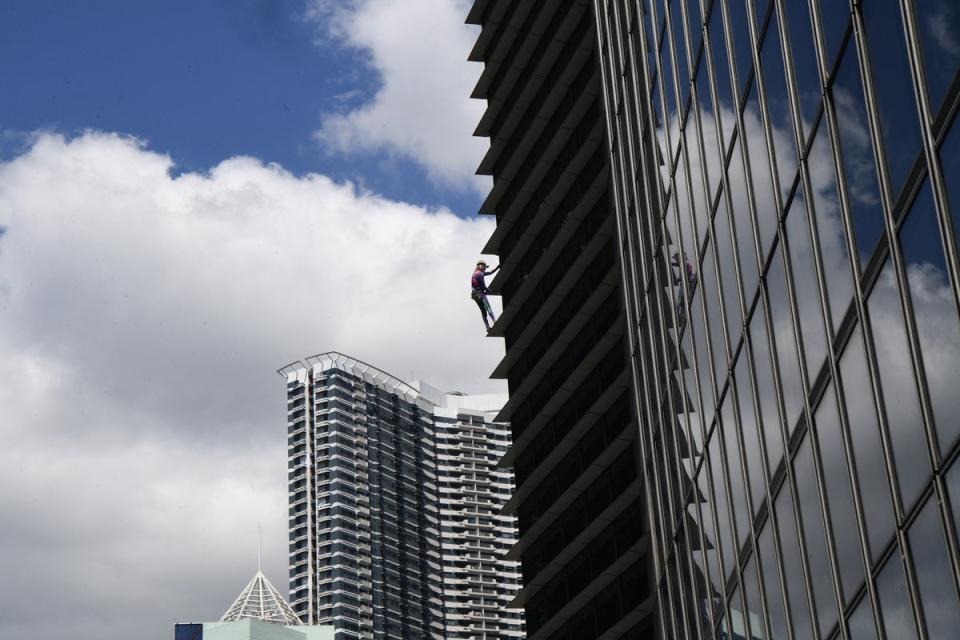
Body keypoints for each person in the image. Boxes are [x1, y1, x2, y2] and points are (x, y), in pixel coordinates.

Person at [471, 260, 500, 331]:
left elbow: (490, 273)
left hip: (474, 295)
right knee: (488, 307)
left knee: (483, 311)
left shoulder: (475, 273)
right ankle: (494, 321)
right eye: (485, 267)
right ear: (481, 266)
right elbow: (484, 287)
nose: (485, 269)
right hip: (480, 294)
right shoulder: (480, 274)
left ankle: (487, 327)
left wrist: (497, 268)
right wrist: (492, 291)